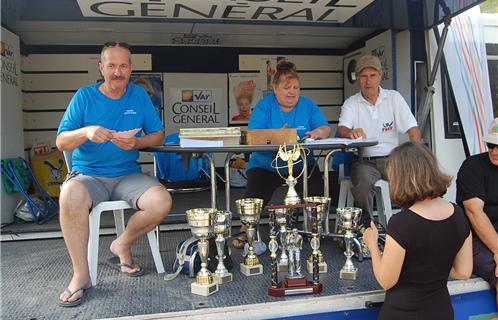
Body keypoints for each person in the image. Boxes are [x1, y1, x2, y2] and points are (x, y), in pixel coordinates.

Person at [56, 41, 172, 307]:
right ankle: (80, 275)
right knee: (69, 194)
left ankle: (122, 243)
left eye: (123, 66)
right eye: (111, 66)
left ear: (130, 69)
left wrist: (138, 143)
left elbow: (158, 134)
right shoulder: (84, 96)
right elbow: (61, 142)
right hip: (89, 175)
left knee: (161, 201)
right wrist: (85, 132)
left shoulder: (139, 96)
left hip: (128, 174)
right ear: (101, 67)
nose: (117, 72)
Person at [363, 142, 472, 319]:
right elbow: (463, 272)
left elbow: (386, 280)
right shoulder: (459, 213)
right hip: (442, 312)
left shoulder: (401, 223)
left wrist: (372, 244)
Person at [232, 60, 332, 248]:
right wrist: (278, 135)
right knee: (254, 195)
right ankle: (246, 230)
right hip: (266, 166)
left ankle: (313, 228)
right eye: (287, 87)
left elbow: (326, 128)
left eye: (296, 87)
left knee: (316, 191)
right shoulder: (264, 106)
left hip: (301, 165)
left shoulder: (308, 105)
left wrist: (318, 132)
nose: (292, 92)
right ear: (275, 88)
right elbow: (253, 135)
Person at [337, 54, 421, 226]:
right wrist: (350, 132)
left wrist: (415, 156)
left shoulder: (393, 97)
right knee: (362, 183)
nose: (368, 81)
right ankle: (368, 226)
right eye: (363, 76)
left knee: (412, 181)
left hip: (393, 160)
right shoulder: (351, 103)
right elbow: (341, 129)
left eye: (372, 76)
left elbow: (412, 129)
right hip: (364, 161)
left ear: (380, 77)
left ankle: (413, 224)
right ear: (358, 79)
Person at [456, 117, 498, 307]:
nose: (495, 151)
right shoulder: (473, 167)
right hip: (474, 238)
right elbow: (474, 213)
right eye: (491, 145)